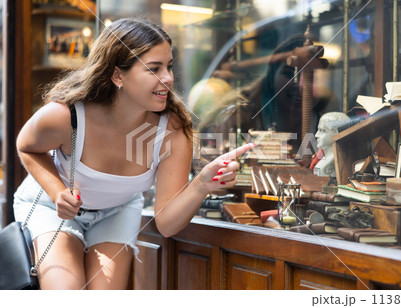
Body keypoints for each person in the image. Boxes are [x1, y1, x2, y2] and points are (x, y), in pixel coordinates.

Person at [13, 18, 254, 290]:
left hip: (117, 211)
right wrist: (57, 192)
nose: (168, 78)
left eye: (169, 66)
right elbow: (26, 145)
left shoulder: (173, 129)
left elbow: (165, 224)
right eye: (154, 69)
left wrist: (201, 185)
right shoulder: (67, 115)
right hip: (51, 207)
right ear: (118, 76)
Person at [198, 33, 338, 153]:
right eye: (290, 74)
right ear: (271, 76)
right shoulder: (239, 116)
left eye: (311, 77)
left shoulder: (324, 118)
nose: (300, 85)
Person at [313, 112, 350, 177]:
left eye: (322, 130)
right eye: (318, 130)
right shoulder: (325, 159)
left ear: (336, 133)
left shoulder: (340, 161)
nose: (316, 135)